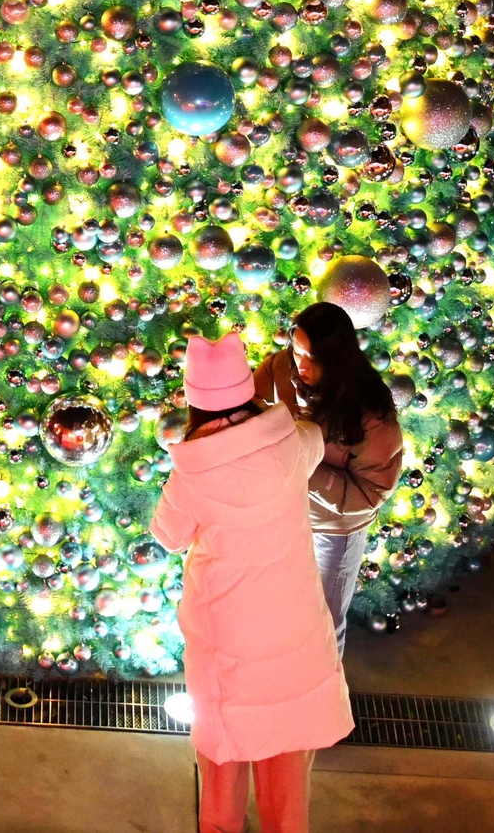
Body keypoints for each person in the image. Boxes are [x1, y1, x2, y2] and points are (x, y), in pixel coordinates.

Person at [152, 330, 351, 833]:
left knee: (223, 757)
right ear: (247, 390)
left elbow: (168, 535)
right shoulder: (293, 444)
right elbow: (313, 438)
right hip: (294, 627)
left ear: (195, 403)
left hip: (227, 641)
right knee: (286, 756)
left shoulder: (191, 474)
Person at [253, 304, 405, 655]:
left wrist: (305, 463)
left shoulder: (370, 413)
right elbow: (250, 401)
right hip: (282, 514)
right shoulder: (282, 369)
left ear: (337, 359)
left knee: (323, 618)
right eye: (298, 351)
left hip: (333, 532)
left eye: (315, 358)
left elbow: (369, 494)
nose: (302, 366)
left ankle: (323, 694)